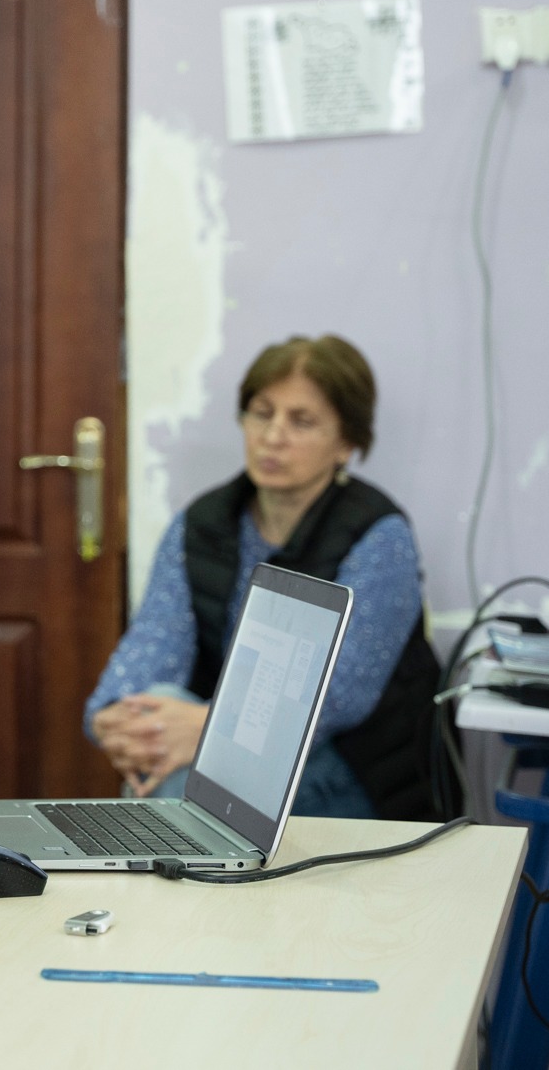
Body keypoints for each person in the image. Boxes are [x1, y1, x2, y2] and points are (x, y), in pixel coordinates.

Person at [84, 334, 439, 820]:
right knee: (163, 723)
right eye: (261, 413)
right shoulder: (203, 524)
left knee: (190, 779)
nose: (273, 436)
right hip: (223, 747)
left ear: (346, 443)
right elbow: (152, 643)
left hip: (351, 768)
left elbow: (337, 697)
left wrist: (208, 730)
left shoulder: (378, 535)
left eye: (301, 421)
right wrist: (116, 719)